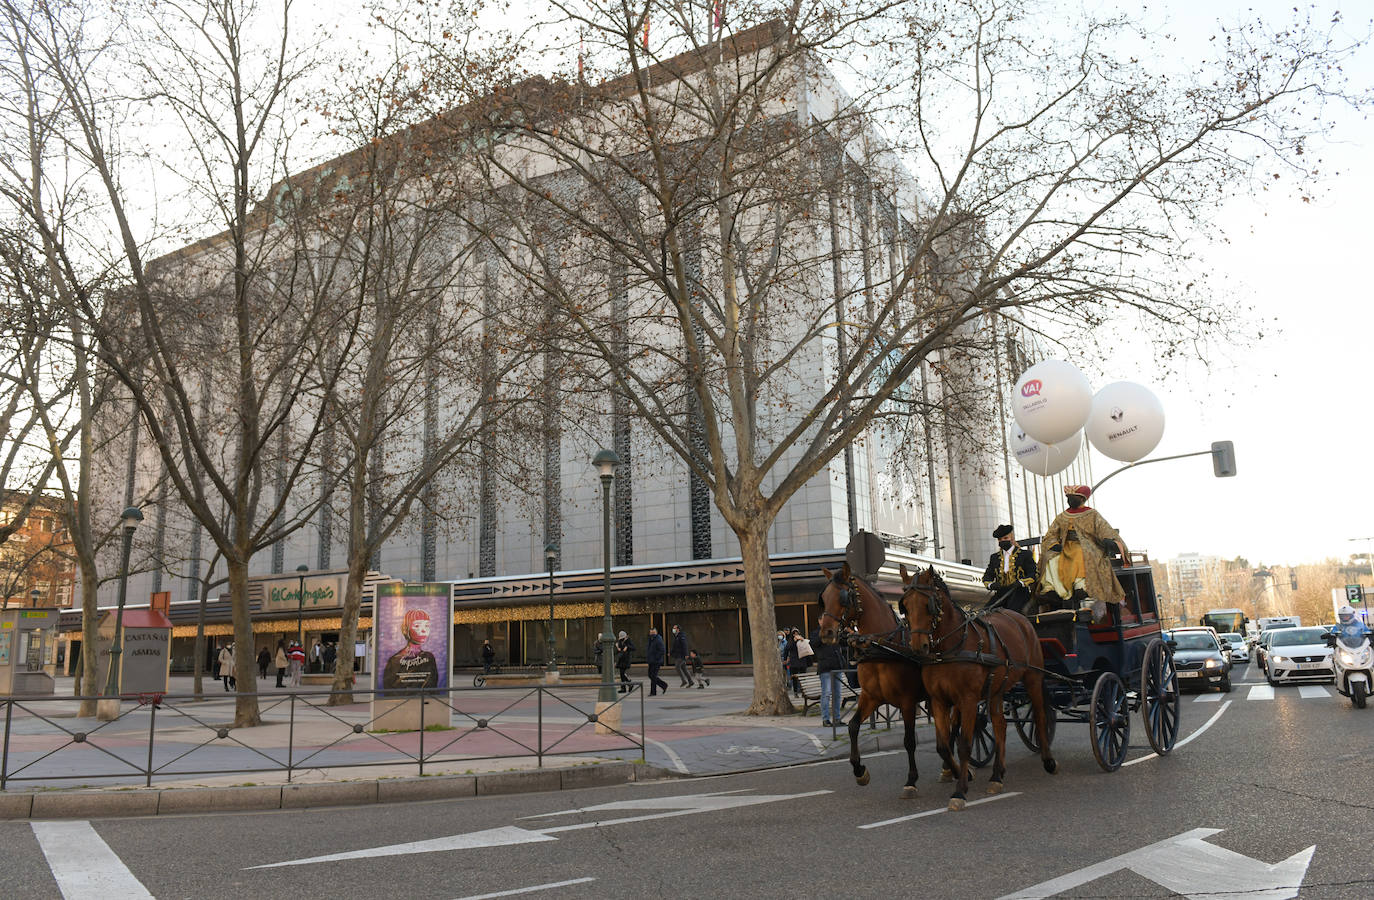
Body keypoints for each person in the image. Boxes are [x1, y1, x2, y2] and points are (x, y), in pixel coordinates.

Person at [1038, 485, 1127, 622]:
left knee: (1080, 553)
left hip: (1087, 547)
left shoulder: (1092, 514)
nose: (1070, 500)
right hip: (1063, 547)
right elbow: (1051, 534)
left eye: (1073, 497)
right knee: (1050, 557)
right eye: (1068, 497)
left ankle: (1081, 586)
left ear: (1081, 499)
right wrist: (1053, 544)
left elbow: (1104, 529)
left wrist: (1110, 540)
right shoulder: (1062, 516)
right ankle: (1051, 588)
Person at [983, 524, 1038, 614]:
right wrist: (991, 585)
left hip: (1019, 593)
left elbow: (1034, 573)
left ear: (1011, 538)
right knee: (984, 613)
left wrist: (1021, 582)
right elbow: (987, 576)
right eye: (1000, 539)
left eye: (1005, 538)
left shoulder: (1024, 554)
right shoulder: (994, 557)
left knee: (1010, 613)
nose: (1002, 541)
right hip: (1001, 593)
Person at [381, 609, 440, 690]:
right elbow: (389, 688)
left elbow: (432, 685)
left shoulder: (429, 657)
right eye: (417, 626)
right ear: (406, 628)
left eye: (426, 625)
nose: (423, 630)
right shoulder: (395, 660)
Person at [811, 627, 845, 727]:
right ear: (820, 621)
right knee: (826, 694)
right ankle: (825, 719)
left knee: (837, 694)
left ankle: (837, 718)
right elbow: (814, 644)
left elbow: (841, 644)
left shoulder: (834, 631)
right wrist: (823, 634)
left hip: (836, 667)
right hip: (825, 668)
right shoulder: (816, 632)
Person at [645, 627, 669, 696]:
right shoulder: (650, 639)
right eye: (651, 632)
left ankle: (653, 692)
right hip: (651, 661)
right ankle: (663, 685)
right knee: (651, 675)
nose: (652, 634)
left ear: (656, 632)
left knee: (653, 676)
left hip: (656, 661)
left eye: (653, 632)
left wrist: (656, 658)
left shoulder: (658, 639)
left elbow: (662, 650)